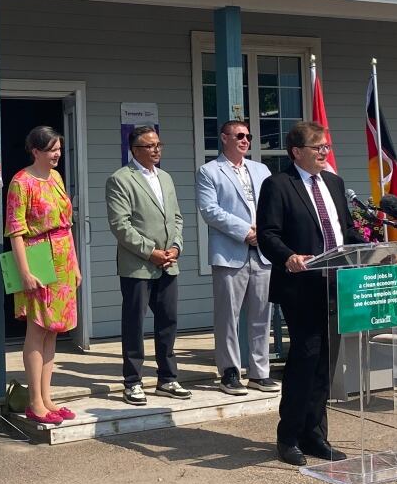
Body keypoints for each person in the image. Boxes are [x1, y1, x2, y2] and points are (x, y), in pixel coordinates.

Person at [256, 121, 364, 466]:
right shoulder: (278, 185)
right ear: (296, 152)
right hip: (300, 286)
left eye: (326, 148)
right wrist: (288, 256)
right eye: (318, 148)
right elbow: (268, 234)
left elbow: (344, 231)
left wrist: (371, 249)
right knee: (305, 358)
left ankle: (315, 434)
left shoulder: (334, 182)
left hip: (336, 284)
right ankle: (288, 437)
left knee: (325, 363)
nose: (324, 153)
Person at [106, 125, 191, 405]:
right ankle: (133, 381)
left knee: (168, 322)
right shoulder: (121, 179)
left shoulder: (165, 178)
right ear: (135, 150)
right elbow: (121, 225)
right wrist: (151, 251)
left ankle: (168, 379)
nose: (156, 150)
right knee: (134, 323)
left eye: (158, 145)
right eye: (150, 146)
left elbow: (176, 218)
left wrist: (176, 247)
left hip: (168, 263)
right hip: (138, 265)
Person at [4, 126, 82, 425]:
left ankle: (47, 397)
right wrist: (24, 271)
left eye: (59, 149)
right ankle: (34, 401)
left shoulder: (57, 178)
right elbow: (15, 230)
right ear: (35, 151)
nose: (57, 154)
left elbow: (67, 223)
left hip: (62, 256)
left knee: (53, 330)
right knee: (37, 329)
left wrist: (74, 263)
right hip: (37, 256)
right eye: (51, 149)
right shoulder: (21, 183)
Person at [195, 120, 279, 396]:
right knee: (228, 316)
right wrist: (245, 232)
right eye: (239, 135)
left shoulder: (261, 169)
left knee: (261, 315)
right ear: (224, 138)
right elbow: (210, 210)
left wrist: (265, 232)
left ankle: (259, 373)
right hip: (231, 252)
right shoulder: (209, 171)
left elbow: (271, 205)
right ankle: (230, 372)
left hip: (263, 252)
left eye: (248, 136)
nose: (245, 140)